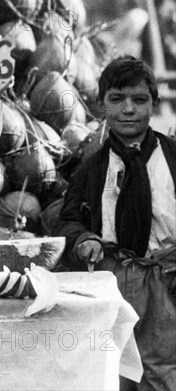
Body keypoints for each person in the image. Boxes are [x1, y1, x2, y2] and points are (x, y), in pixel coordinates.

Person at [55, 56, 175, 391]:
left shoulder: (172, 158)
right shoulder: (91, 169)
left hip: (164, 281)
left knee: (162, 369)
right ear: (101, 105)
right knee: (112, 370)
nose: (128, 110)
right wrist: (84, 240)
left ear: (154, 103)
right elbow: (68, 221)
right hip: (111, 278)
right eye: (117, 99)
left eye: (139, 100)